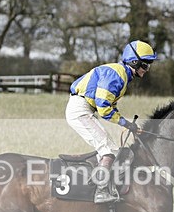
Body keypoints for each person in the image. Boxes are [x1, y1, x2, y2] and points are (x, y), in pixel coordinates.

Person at [65, 40, 157, 203]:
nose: (147, 69)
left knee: (112, 149)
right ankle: (100, 191)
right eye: (145, 65)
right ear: (134, 62)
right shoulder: (117, 74)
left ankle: (105, 184)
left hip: (84, 108)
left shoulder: (121, 75)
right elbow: (104, 108)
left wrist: (130, 125)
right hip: (80, 110)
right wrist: (126, 124)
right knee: (108, 150)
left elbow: (109, 107)